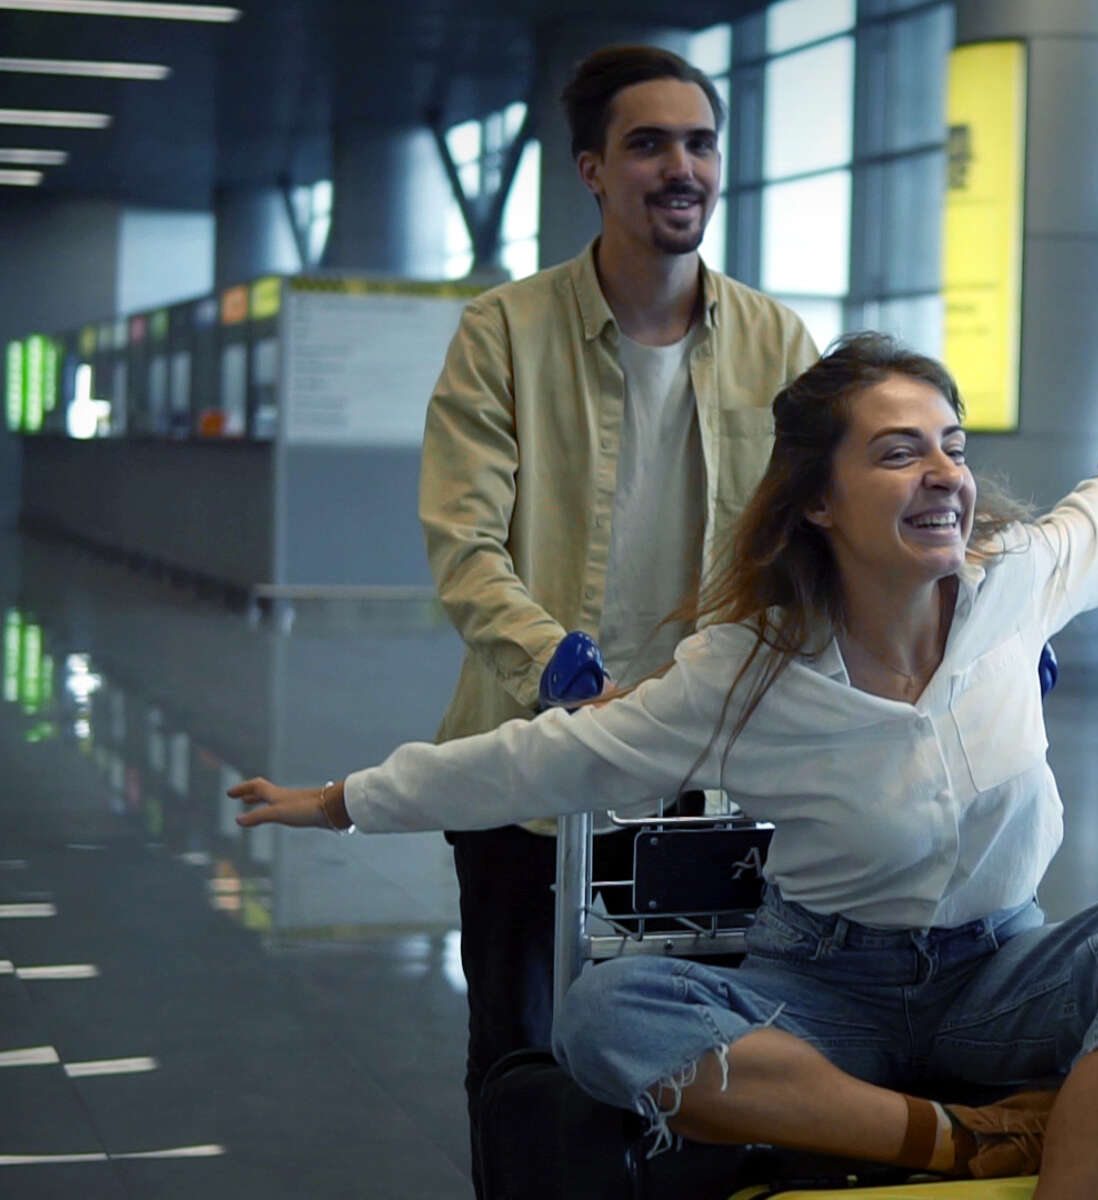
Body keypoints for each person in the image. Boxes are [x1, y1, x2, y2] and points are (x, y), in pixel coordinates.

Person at [236, 335, 1098, 1200]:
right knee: (604, 1016)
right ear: (818, 501)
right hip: (822, 990)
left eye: (953, 446)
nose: (945, 473)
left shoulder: (1017, 583)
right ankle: (969, 1139)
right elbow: (543, 761)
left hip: (999, 978)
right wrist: (339, 803)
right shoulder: (744, 670)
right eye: (899, 454)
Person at [417, 43, 815, 1191]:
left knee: (708, 1052)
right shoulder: (504, 332)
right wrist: (561, 671)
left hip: (707, 777)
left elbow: (818, 531)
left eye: (699, 142)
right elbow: (464, 541)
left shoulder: (777, 343)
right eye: (648, 143)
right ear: (592, 168)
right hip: (526, 774)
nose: (679, 166)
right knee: (523, 1058)